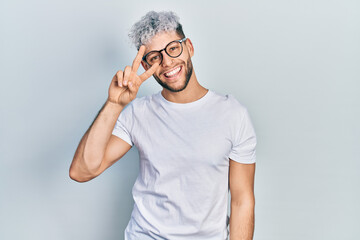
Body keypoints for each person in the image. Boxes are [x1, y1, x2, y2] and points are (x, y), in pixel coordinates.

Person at [69, 11, 257, 240]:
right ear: (147, 65)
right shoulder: (138, 113)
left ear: (189, 47)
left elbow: (242, 200)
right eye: (155, 57)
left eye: (173, 48)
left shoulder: (233, 115)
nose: (167, 62)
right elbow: (82, 171)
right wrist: (114, 104)